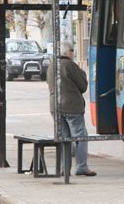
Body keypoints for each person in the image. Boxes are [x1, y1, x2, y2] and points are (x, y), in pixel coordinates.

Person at [47, 41, 96, 176]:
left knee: (64, 138)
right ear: (67, 52)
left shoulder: (52, 65)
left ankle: (64, 168)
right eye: (72, 50)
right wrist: (80, 71)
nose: (73, 53)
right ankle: (81, 167)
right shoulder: (69, 65)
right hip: (72, 106)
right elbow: (83, 85)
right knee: (80, 137)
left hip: (55, 107)